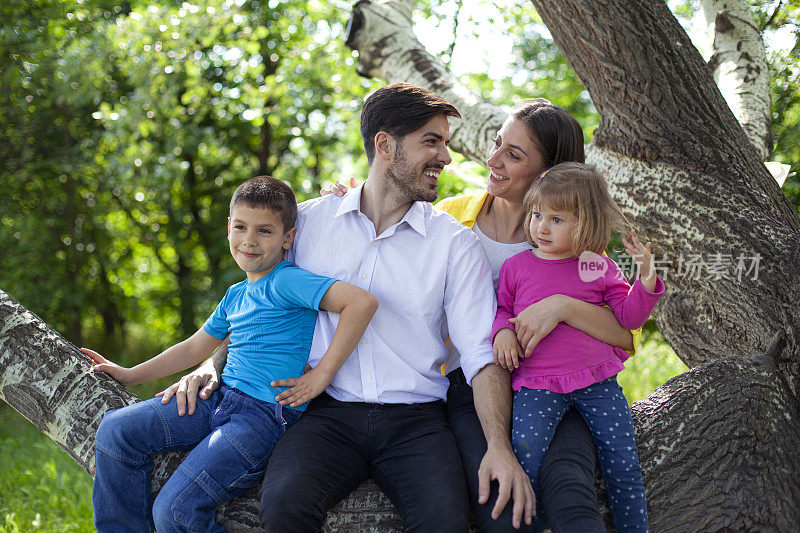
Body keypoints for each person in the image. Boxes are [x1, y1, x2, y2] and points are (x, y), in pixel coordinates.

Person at [160, 82, 536, 532]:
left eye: (446, 144)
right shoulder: (308, 224)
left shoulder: (454, 245)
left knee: (445, 523)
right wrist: (211, 367)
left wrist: (499, 446)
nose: (446, 158)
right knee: (281, 509)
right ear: (385, 145)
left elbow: (480, 354)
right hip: (325, 414)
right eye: (431, 142)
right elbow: (260, 305)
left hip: (417, 421)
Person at [328, 99, 639, 532]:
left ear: (550, 173)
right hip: (471, 390)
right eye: (497, 144)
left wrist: (563, 307)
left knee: (568, 488)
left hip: (556, 386)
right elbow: (387, 234)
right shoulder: (453, 216)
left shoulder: (578, 244)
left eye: (514, 154)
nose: (492, 160)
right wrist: (352, 202)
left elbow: (624, 334)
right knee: (500, 508)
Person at [82, 176, 378, 533]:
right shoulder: (236, 295)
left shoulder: (287, 280)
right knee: (116, 430)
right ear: (228, 229)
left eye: (265, 231)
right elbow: (194, 348)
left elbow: (361, 302)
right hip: (217, 400)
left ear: (288, 238)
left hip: (262, 419)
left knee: (175, 512)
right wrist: (129, 374)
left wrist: (322, 374)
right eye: (240, 227)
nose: (249, 240)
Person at [494, 162, 663, 532]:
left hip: (597, 383)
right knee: (527, 457)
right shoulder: (516, 267)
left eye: (557, 219)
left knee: (622, 461)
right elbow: (503, 310)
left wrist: (645, 279)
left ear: (584, 222)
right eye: (537, 214)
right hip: (536, 383)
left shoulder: (595, 265)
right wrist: (502, 334)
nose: (541, 226)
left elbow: (628, 318)